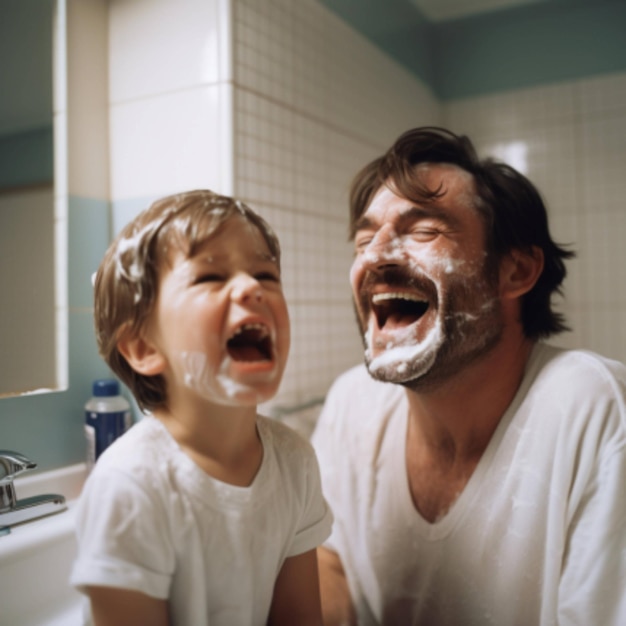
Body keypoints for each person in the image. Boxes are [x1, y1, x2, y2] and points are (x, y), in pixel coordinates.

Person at [311, 127, 626, 625]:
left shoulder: (593, 409)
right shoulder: (352, 401)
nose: (375, 256)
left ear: (515, 271)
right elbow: (330, 560)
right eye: (365, 239)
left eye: (423, 232)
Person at [70, 190, 332, 626]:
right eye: (211, 277)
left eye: (265, 274)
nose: (252, 286)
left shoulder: (295, 463)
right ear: (142, 346)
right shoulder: (131, 486)